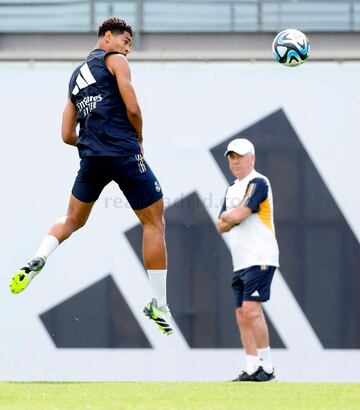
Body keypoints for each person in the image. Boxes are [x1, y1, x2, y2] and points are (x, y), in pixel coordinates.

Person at [10, 17, 172, 335]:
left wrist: (91, 141)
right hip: (124, 154)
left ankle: (38, 257)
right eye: (126, 40)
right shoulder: (116, 61)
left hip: (92, 159)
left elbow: (66, 134)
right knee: (154, 222)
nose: (129, 48)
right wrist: (137, 138)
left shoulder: (75, 79)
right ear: (107, 37)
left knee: (72, 219)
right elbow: (134, 108)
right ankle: (159, 304)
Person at [216, 138, 279, 381]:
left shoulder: (259, 182)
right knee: (242, 313)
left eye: (240, 156)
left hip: (260, 255)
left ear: (252, 158)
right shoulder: (232, 188)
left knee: (252, 310)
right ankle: (252, 366)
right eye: (231, 157)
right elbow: (220, 225)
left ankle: (268, 367)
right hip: (240, 260)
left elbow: (240, 214)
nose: (235, 161)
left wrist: (232, 216)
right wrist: (233, 216)